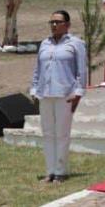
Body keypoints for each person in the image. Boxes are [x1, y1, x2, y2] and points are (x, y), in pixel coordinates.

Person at [30, 10, 87, 183]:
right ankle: (50, 171)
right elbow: (37, 69)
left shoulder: (75, 44)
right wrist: (34, 89)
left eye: (58, 22)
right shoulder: (44, 44)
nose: (54, 25)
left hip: (65, 94)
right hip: (45, 94)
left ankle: (61, 171)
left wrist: (78, 93)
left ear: (67, 25)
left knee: (62, 133)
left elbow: (81, 70)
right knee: (47, 133)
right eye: (52, 22)